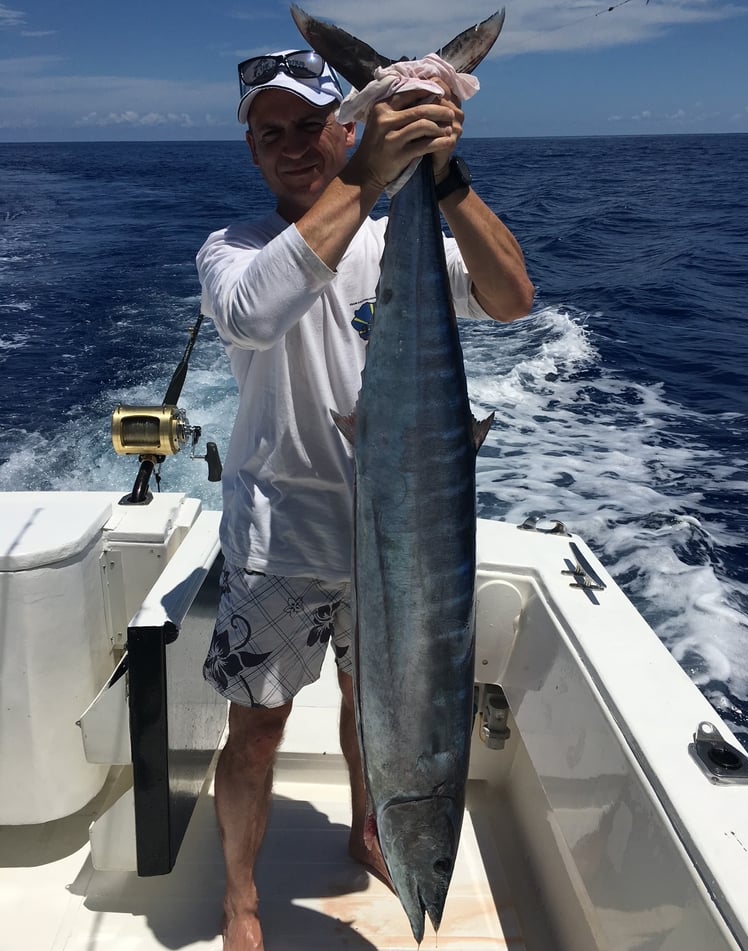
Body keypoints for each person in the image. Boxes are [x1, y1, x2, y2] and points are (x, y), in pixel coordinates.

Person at [197, 46, 534, 951]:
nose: (293, 146)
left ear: (344, 125)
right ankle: (240, 898)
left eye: (312, 125)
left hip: (401, 549)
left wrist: (444, 175)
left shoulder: (392, 242)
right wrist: (369, 173)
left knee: (367, 703)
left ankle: (369, 827)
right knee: (259, 727)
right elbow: (256, 313)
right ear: (253, 153)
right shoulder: (232, 253)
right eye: (272, 134)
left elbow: (511, 297)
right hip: (280, 540)